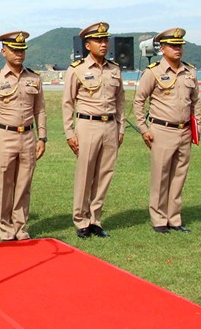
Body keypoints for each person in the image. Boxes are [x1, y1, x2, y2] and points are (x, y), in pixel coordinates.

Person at [134, 28, 201, 234]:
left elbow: (195, 102)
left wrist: (196, 127)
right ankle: (159, 218)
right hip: (162, 130)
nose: (178, 49)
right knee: (161, 176)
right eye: (173, 46)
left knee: (179, 175)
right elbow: (138, 101)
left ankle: (174, 218)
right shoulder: (153, 72)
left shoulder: (190, 71)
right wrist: (144, 129)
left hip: (184, 131)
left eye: (180, 45)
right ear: (162, 49)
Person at [62, 22, 125, 239]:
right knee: (85, 174)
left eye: (105, 40)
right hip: (87, 125)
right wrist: (70, 132)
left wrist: (121, 127)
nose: (104, 44)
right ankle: (81, 220)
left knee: (104, 174)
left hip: (110, 125)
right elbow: (67, 102)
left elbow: (120, 102)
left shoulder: (114, 69)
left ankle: (95, 219)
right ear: (88, 45)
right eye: (99, 40)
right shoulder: (77, 69)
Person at [0, 31, 47, 241]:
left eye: (22, 50)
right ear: (3, 52)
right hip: (5, 135)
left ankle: (20, 226)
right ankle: (4, 228)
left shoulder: (34, 78)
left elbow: (40, 110)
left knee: (24, 183)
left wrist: (42, 137)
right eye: (14, 50)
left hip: (28, 136)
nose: (19, 54)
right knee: (4, 183)